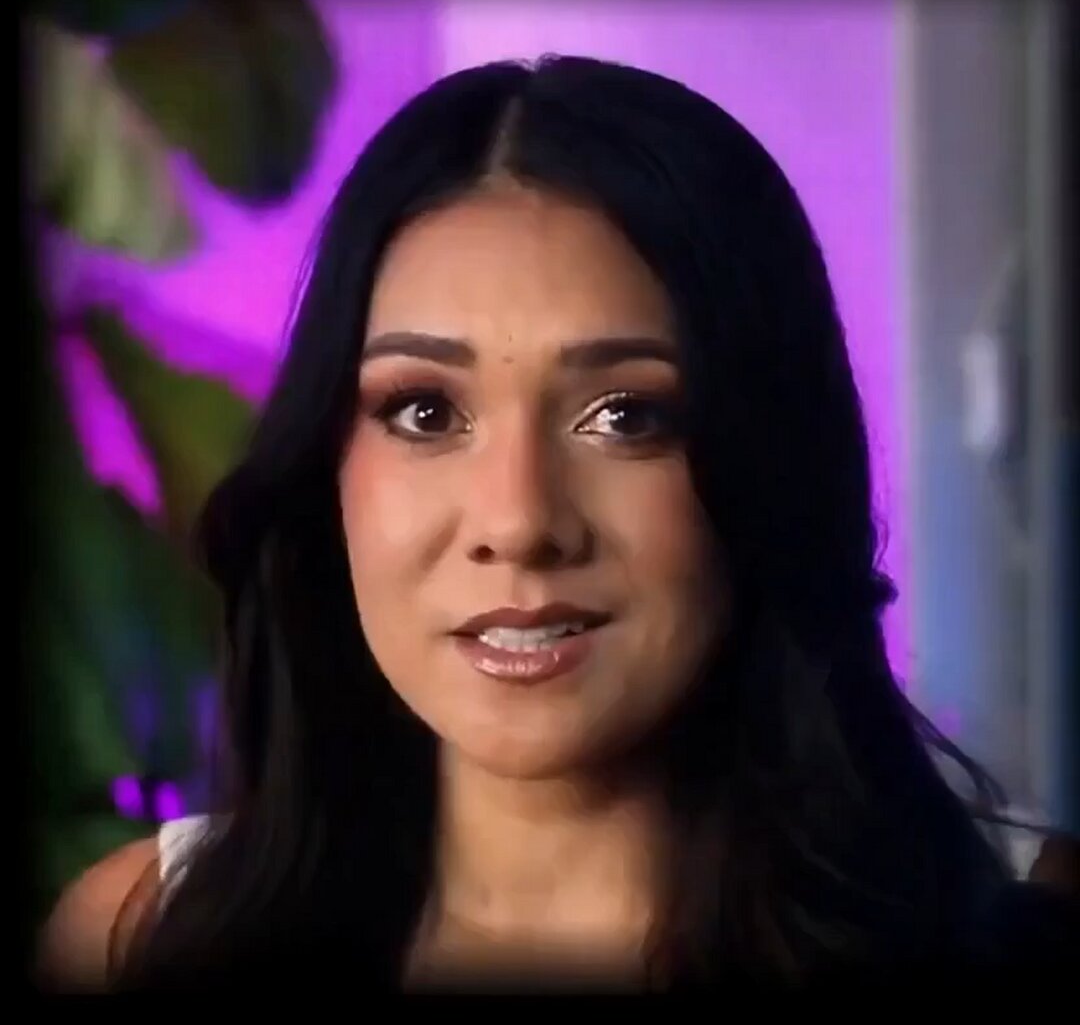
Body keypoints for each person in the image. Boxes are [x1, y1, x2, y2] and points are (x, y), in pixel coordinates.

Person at [34, 54, 1070, 992]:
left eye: (626, 415)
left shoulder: (1018, 926)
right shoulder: (143, 937)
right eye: (425, 412)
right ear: (327, 469)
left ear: (767, 461)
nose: (520, 520)